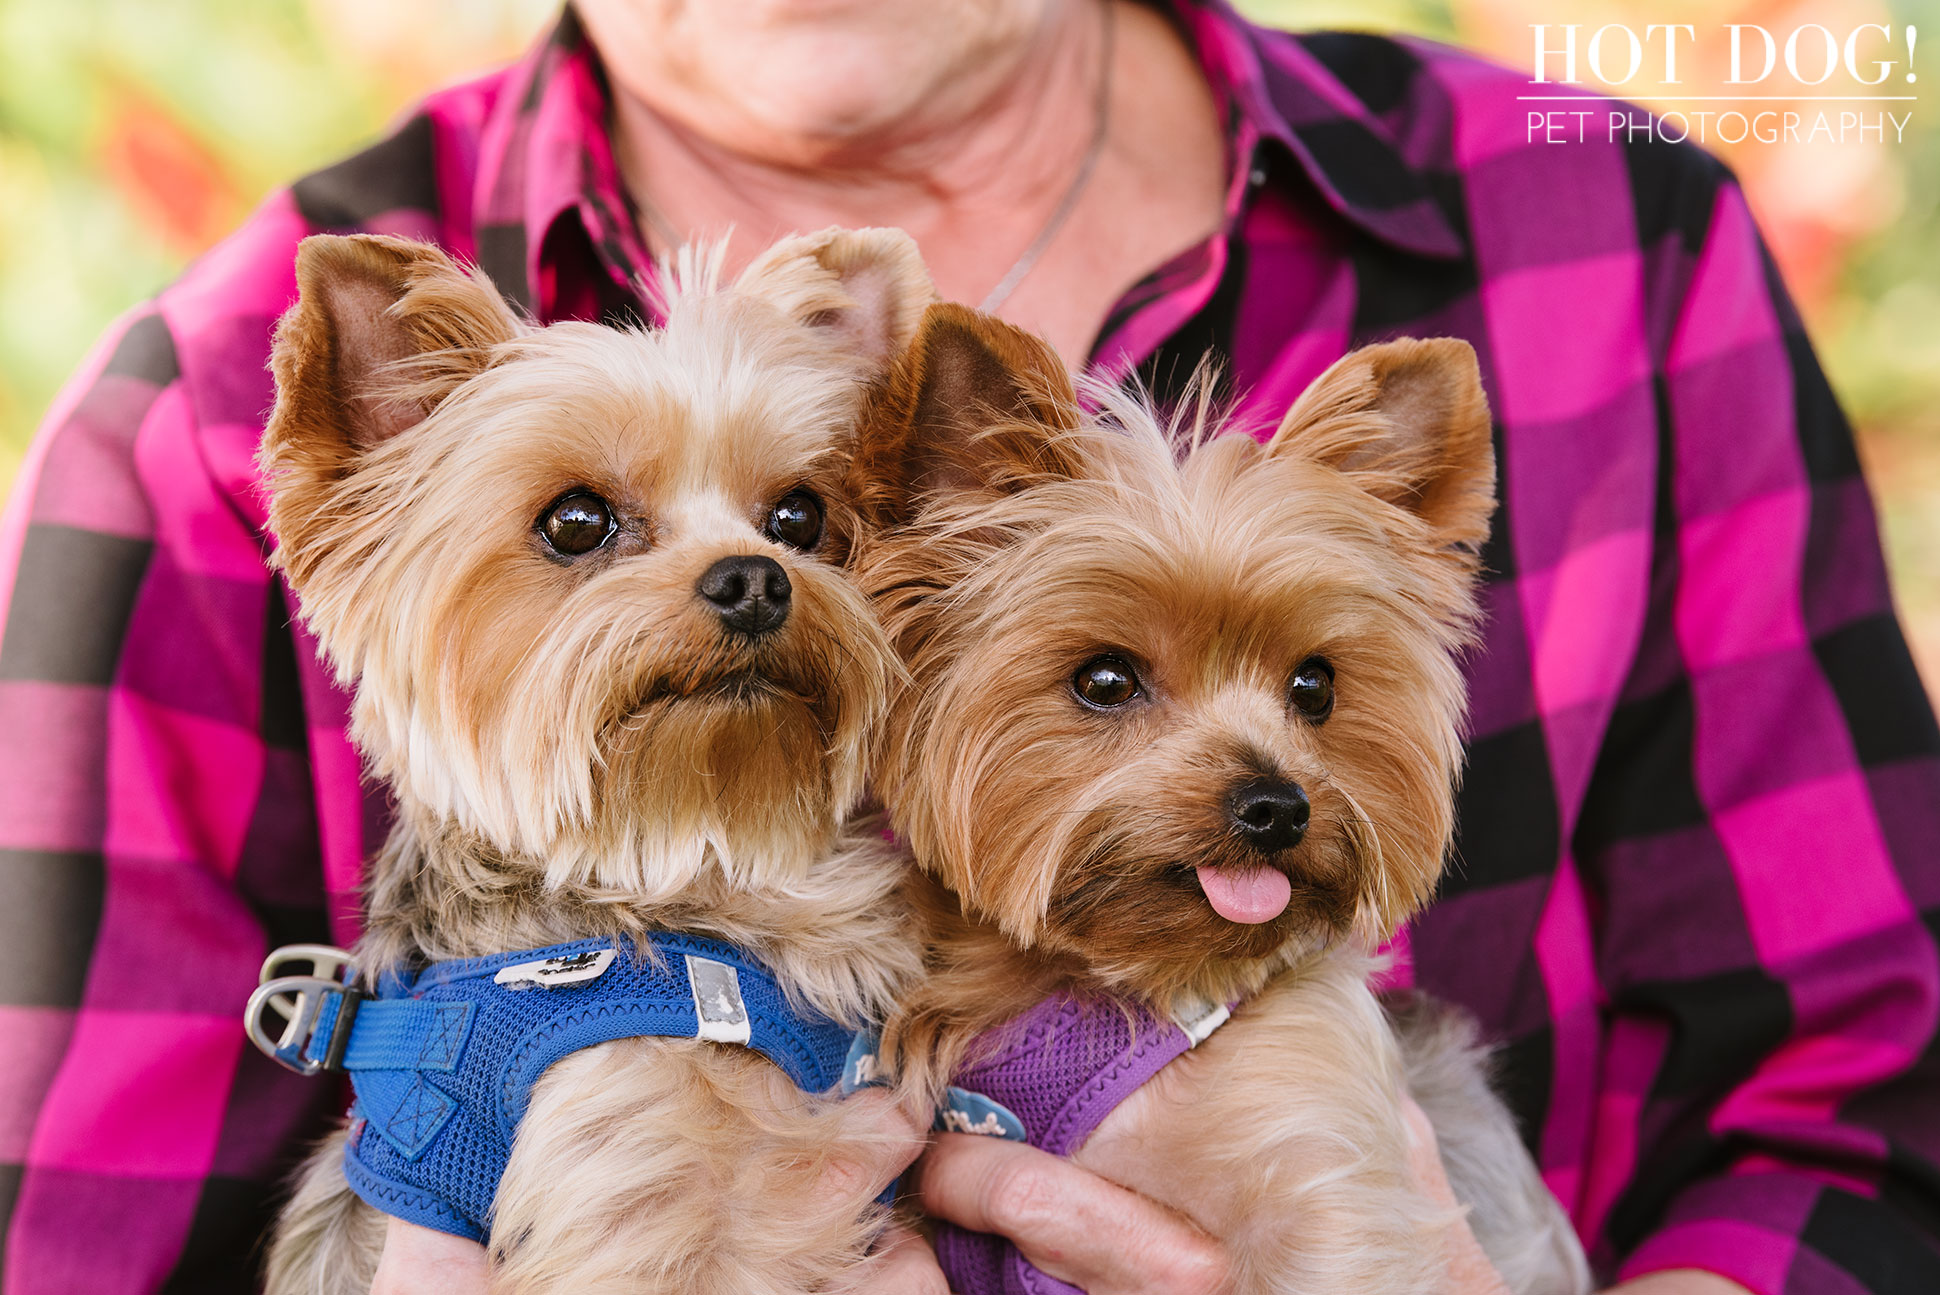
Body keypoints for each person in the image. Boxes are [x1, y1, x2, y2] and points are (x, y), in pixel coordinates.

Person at [0, 0, 1935, 1290]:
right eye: (584, 530)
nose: (747, 576)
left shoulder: (1596, 208)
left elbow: (1872, 1109)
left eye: (803, 519)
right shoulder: (188, 426)